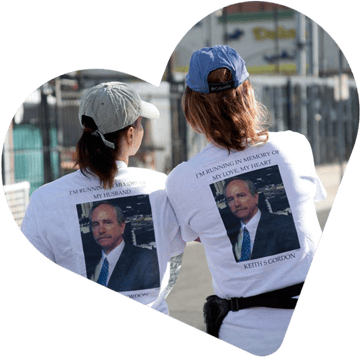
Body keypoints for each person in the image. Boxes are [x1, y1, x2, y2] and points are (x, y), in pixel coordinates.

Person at [166, 45, 326, 356]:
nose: (237, 203)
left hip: (246, 338)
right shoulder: (295, 146)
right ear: (249, 92)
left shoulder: (182, 180)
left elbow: (200, 235)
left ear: (192, 109)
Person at [21, 81, 185, 315]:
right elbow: (185, 250)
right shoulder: (160, 187)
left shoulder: (44, 200)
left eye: (106, 222)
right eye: (140, 124)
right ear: (131, 133)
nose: (100, 229)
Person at [224, 177, 299, 262]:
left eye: (241, 196)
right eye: (231, 199)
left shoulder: (285, 225)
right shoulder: (228, 234)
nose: (236, 204)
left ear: (255, 197)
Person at [89, 201, 160, 291]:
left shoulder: (146, 260)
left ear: (122, 226)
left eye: (107, 222)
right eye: (96, 224)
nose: (101, 230)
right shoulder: (89, 264)